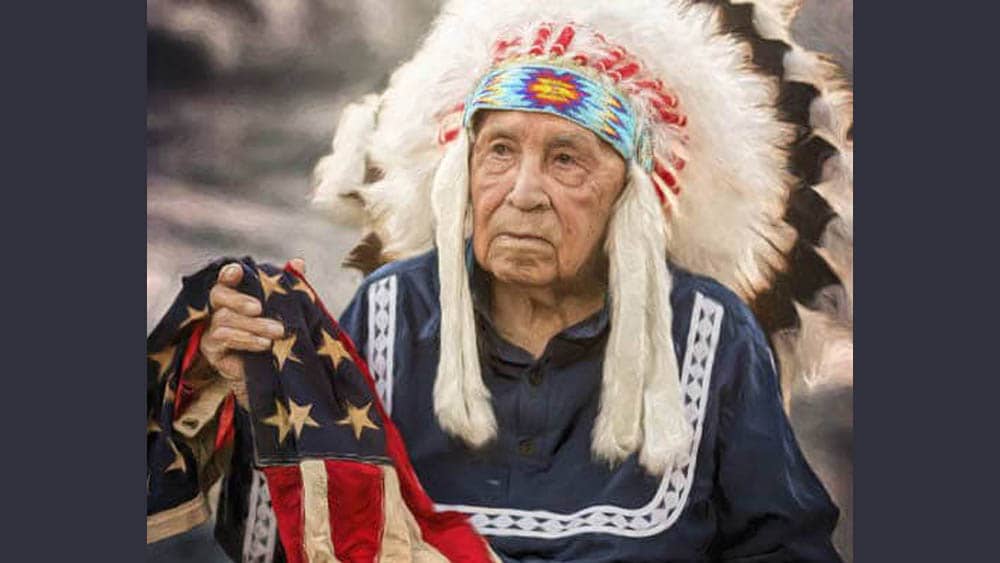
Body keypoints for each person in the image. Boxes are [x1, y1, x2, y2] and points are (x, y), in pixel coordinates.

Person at [172, 1, 852, 560]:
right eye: (499, 150)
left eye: (566, 159)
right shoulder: (392, 316)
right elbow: (312, 527)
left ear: (628, 199)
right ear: (462, 173)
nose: (523, 193)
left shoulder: (710, 334)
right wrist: (244, 401)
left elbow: (785, 548)